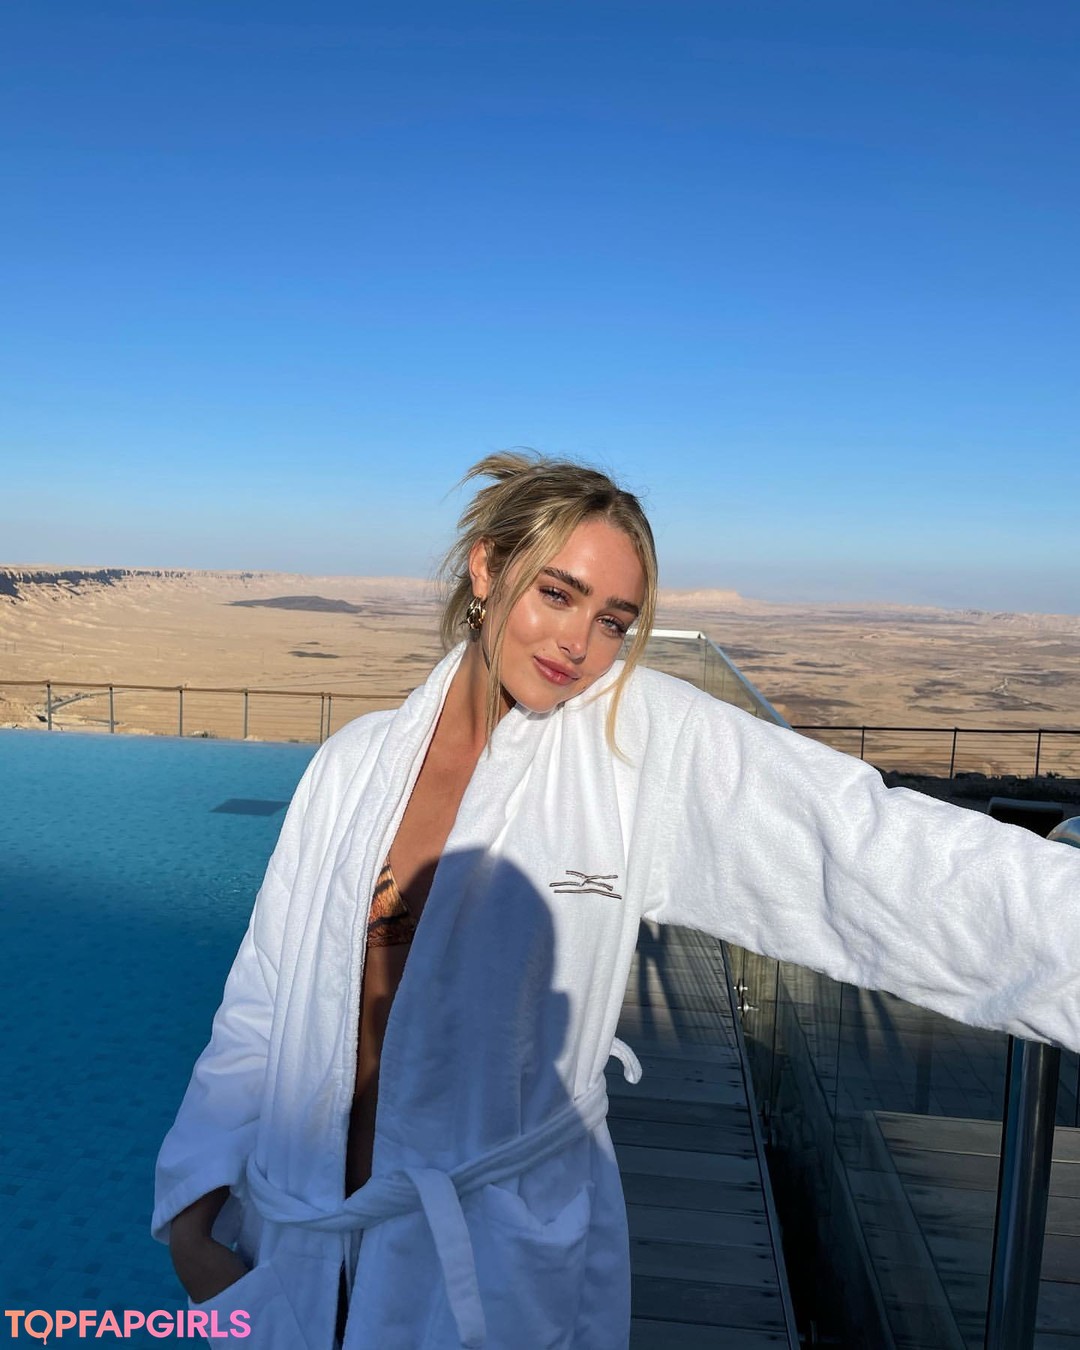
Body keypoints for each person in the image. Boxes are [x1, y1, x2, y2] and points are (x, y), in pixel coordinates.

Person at [153, 453, 1080, 1350]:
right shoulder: (353, 765)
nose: (579, 644)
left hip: (488, 1264)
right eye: (558, 594)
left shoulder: (633, 748)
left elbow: (864, 850)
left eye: (614, 622)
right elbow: (265, 994)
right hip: (296, 1247)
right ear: (487, 568)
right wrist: (193, 1221)